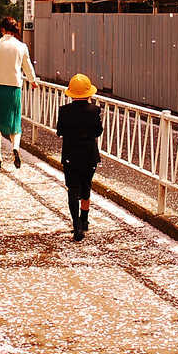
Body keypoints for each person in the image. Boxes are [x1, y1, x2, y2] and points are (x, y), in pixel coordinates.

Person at [0, 16, 37, 170]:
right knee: (15, 123)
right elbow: (27, 66)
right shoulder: (22, 46)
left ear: (3, 30)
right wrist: (33, 81)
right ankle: (16, 148)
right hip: (14, 88)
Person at [55, 73, 103, 242]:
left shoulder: (64, 111)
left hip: (71, 156)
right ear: (89, 93)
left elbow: (60, 131)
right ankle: (85, 220)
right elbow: (98, 131)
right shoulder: (94, 110)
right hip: (89, 156)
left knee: (72, 189)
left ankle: (76, 225)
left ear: (71, 93)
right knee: (85, 188)